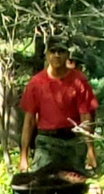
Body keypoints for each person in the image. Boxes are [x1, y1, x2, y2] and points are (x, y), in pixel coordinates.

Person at [18, 37, 98, 173]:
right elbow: (29, 121)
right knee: (43, 183)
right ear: (47, 54)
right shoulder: (36, 83)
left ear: (67, 54)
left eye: (61, 51)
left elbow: (86, 117)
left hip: (73, 141)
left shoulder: (79, 81)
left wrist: (90, 149)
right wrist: (23, 156)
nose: (57, 55)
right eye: (53, 51)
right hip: (46, 142)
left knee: (75, 185)